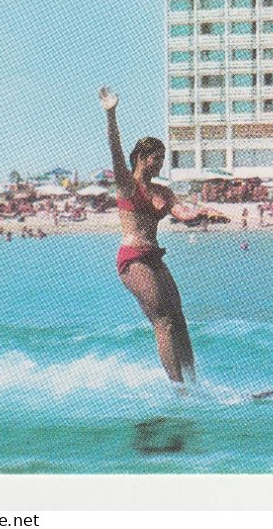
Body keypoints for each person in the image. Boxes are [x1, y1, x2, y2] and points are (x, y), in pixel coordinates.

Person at [99, 86, 195, 385]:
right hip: (132, 259)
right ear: (141, 157)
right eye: (157, 157)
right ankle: (179, 390)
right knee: (162, 321)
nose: (161, 163)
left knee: (179, 320)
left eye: (164, 158)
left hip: (154, 257)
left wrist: (201, 215)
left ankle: (194, 383)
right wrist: (111, 114)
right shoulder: (128, 185)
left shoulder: (163, 191)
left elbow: (182, 213)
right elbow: (115, 149)